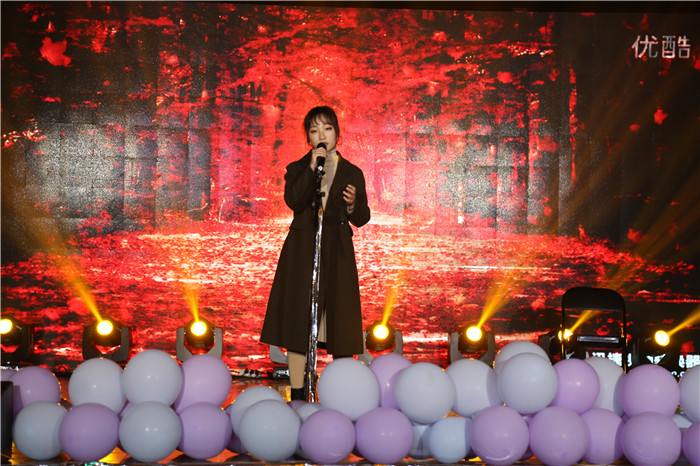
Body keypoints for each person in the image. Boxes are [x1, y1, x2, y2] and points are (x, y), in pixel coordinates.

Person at [260, 106, 371, 401]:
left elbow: (362, 217)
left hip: (337, 252)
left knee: (339, 321)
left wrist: (353, 204)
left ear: (337, 134)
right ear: (308, 138)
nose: (321, 135)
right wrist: (311, 167)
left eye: (327, 128)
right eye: (314, 130)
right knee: (298, 320)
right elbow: (294, 200)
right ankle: (297, 392)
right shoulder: (298, 168)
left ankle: (342, 392)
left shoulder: (352, 172)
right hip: (302, 250)